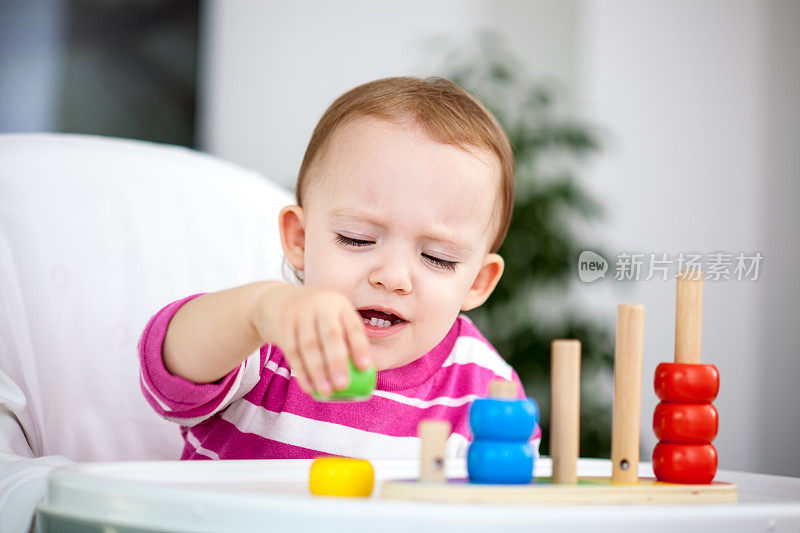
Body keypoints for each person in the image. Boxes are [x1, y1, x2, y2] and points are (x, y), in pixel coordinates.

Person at [138, 76, 540, 460]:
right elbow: (170, 370)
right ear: (300, 239)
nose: (392, 277)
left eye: (439, 258)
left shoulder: (487, 391)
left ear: (478, 282)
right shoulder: (267, 340)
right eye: (357, 239)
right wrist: (256, 312)